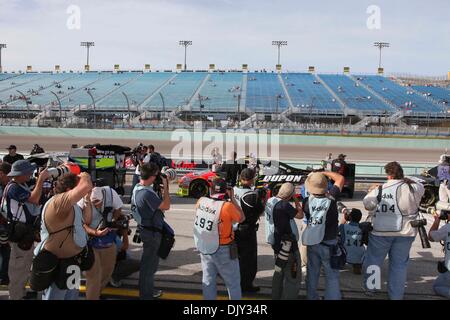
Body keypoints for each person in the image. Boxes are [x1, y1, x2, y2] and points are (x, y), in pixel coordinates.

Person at [362, 161, 424, 300]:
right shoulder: (414, 188)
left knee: (374, 261)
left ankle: (371, 289)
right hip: (406, 232)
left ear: (388, 175)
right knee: (399, 266)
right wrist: (405, 178)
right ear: (401, 174)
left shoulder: (379, 189)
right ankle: (396, 295)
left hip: (380, 232)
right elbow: (420, 182)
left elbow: (367, 205)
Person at [34, 172, 93, 300]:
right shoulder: (58, 203)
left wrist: (87, 199)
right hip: (57, 264)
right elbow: (86, 185)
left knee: (71, 297)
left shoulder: (72, 206)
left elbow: (86, 220)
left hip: (73, 262)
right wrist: (85, 176)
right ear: (68, 191)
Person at [1, 160, 49, 300]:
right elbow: (34, 199)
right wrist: (41, 180)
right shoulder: (13, 188)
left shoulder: (21, 185)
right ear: (20, 174)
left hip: (24, 233)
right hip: (20, 234)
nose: (30, 174)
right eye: (28, 172)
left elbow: (39, 199)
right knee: (18, 268)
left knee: (24, 264)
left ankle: (20, 294)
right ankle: (16, 296)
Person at [194, 178, 245, 300]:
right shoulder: (227, 206)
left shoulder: (201, 201)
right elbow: (242, 218)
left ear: (211, 190)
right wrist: (232, 199)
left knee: (208, 280)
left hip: (205, 246)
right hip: (223, 248)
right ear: (225, 192)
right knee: (233, 282)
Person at [301, 171, 344, 300]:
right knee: (332, 276)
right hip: (329, 242)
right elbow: (340, 178)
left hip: (313, 241)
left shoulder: (306, 202)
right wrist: (323, 172)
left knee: (312, 273)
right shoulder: (331, 199)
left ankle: (312, 297)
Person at [131, 162, 170, 300]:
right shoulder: (147, 193)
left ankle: (147, 290)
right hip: (152, 234)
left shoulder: (137, 187)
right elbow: (166, 205)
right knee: (149, 267)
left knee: (148, 264)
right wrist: (166, 187)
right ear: (152, 176)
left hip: (145, 229)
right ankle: (146, 295)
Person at [78, 186, 125, 300]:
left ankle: (96, 294)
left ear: (103, 197)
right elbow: (81, 224)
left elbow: (119, 209)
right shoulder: (82, 199)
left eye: (98, 202)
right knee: (93, 276)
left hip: (108, 240)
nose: (97, 205)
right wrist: (95, 232)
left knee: (107, 273)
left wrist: (112, 221)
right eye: (94, 202)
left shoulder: (110, 193)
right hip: (88, 242)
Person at [265, 182, 303, 300]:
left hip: (276, 243)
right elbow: (300, 215)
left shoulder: (270, 201)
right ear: (290, 194)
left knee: (278, 273)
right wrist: (296, 199)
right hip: (288, 245)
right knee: (293, 277)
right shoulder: (284, 206)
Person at [233, 168, 265, 293]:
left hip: (233, 228)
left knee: (236, 258)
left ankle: (235, 281)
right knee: (249, 259)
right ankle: (246, 285)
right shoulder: (251, 195)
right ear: (252, 180)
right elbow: (260, 211)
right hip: (246, 230)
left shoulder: (234, 191)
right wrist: (261, 198)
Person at [339, 207, 365, 274]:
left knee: (337, 239)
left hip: (346, 254)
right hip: (359, 255)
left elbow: (336, 231)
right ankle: (357, 266)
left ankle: (340, 263)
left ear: (350, 217)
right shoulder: (362, 228)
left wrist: (344, 219)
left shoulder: (343, 227)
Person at [0, 162, 12, 285]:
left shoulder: (7, 186)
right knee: (5, 251)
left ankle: (4, 277)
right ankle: (4, 276)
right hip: (3, 225)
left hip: (4, 226)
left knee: (5, 251)